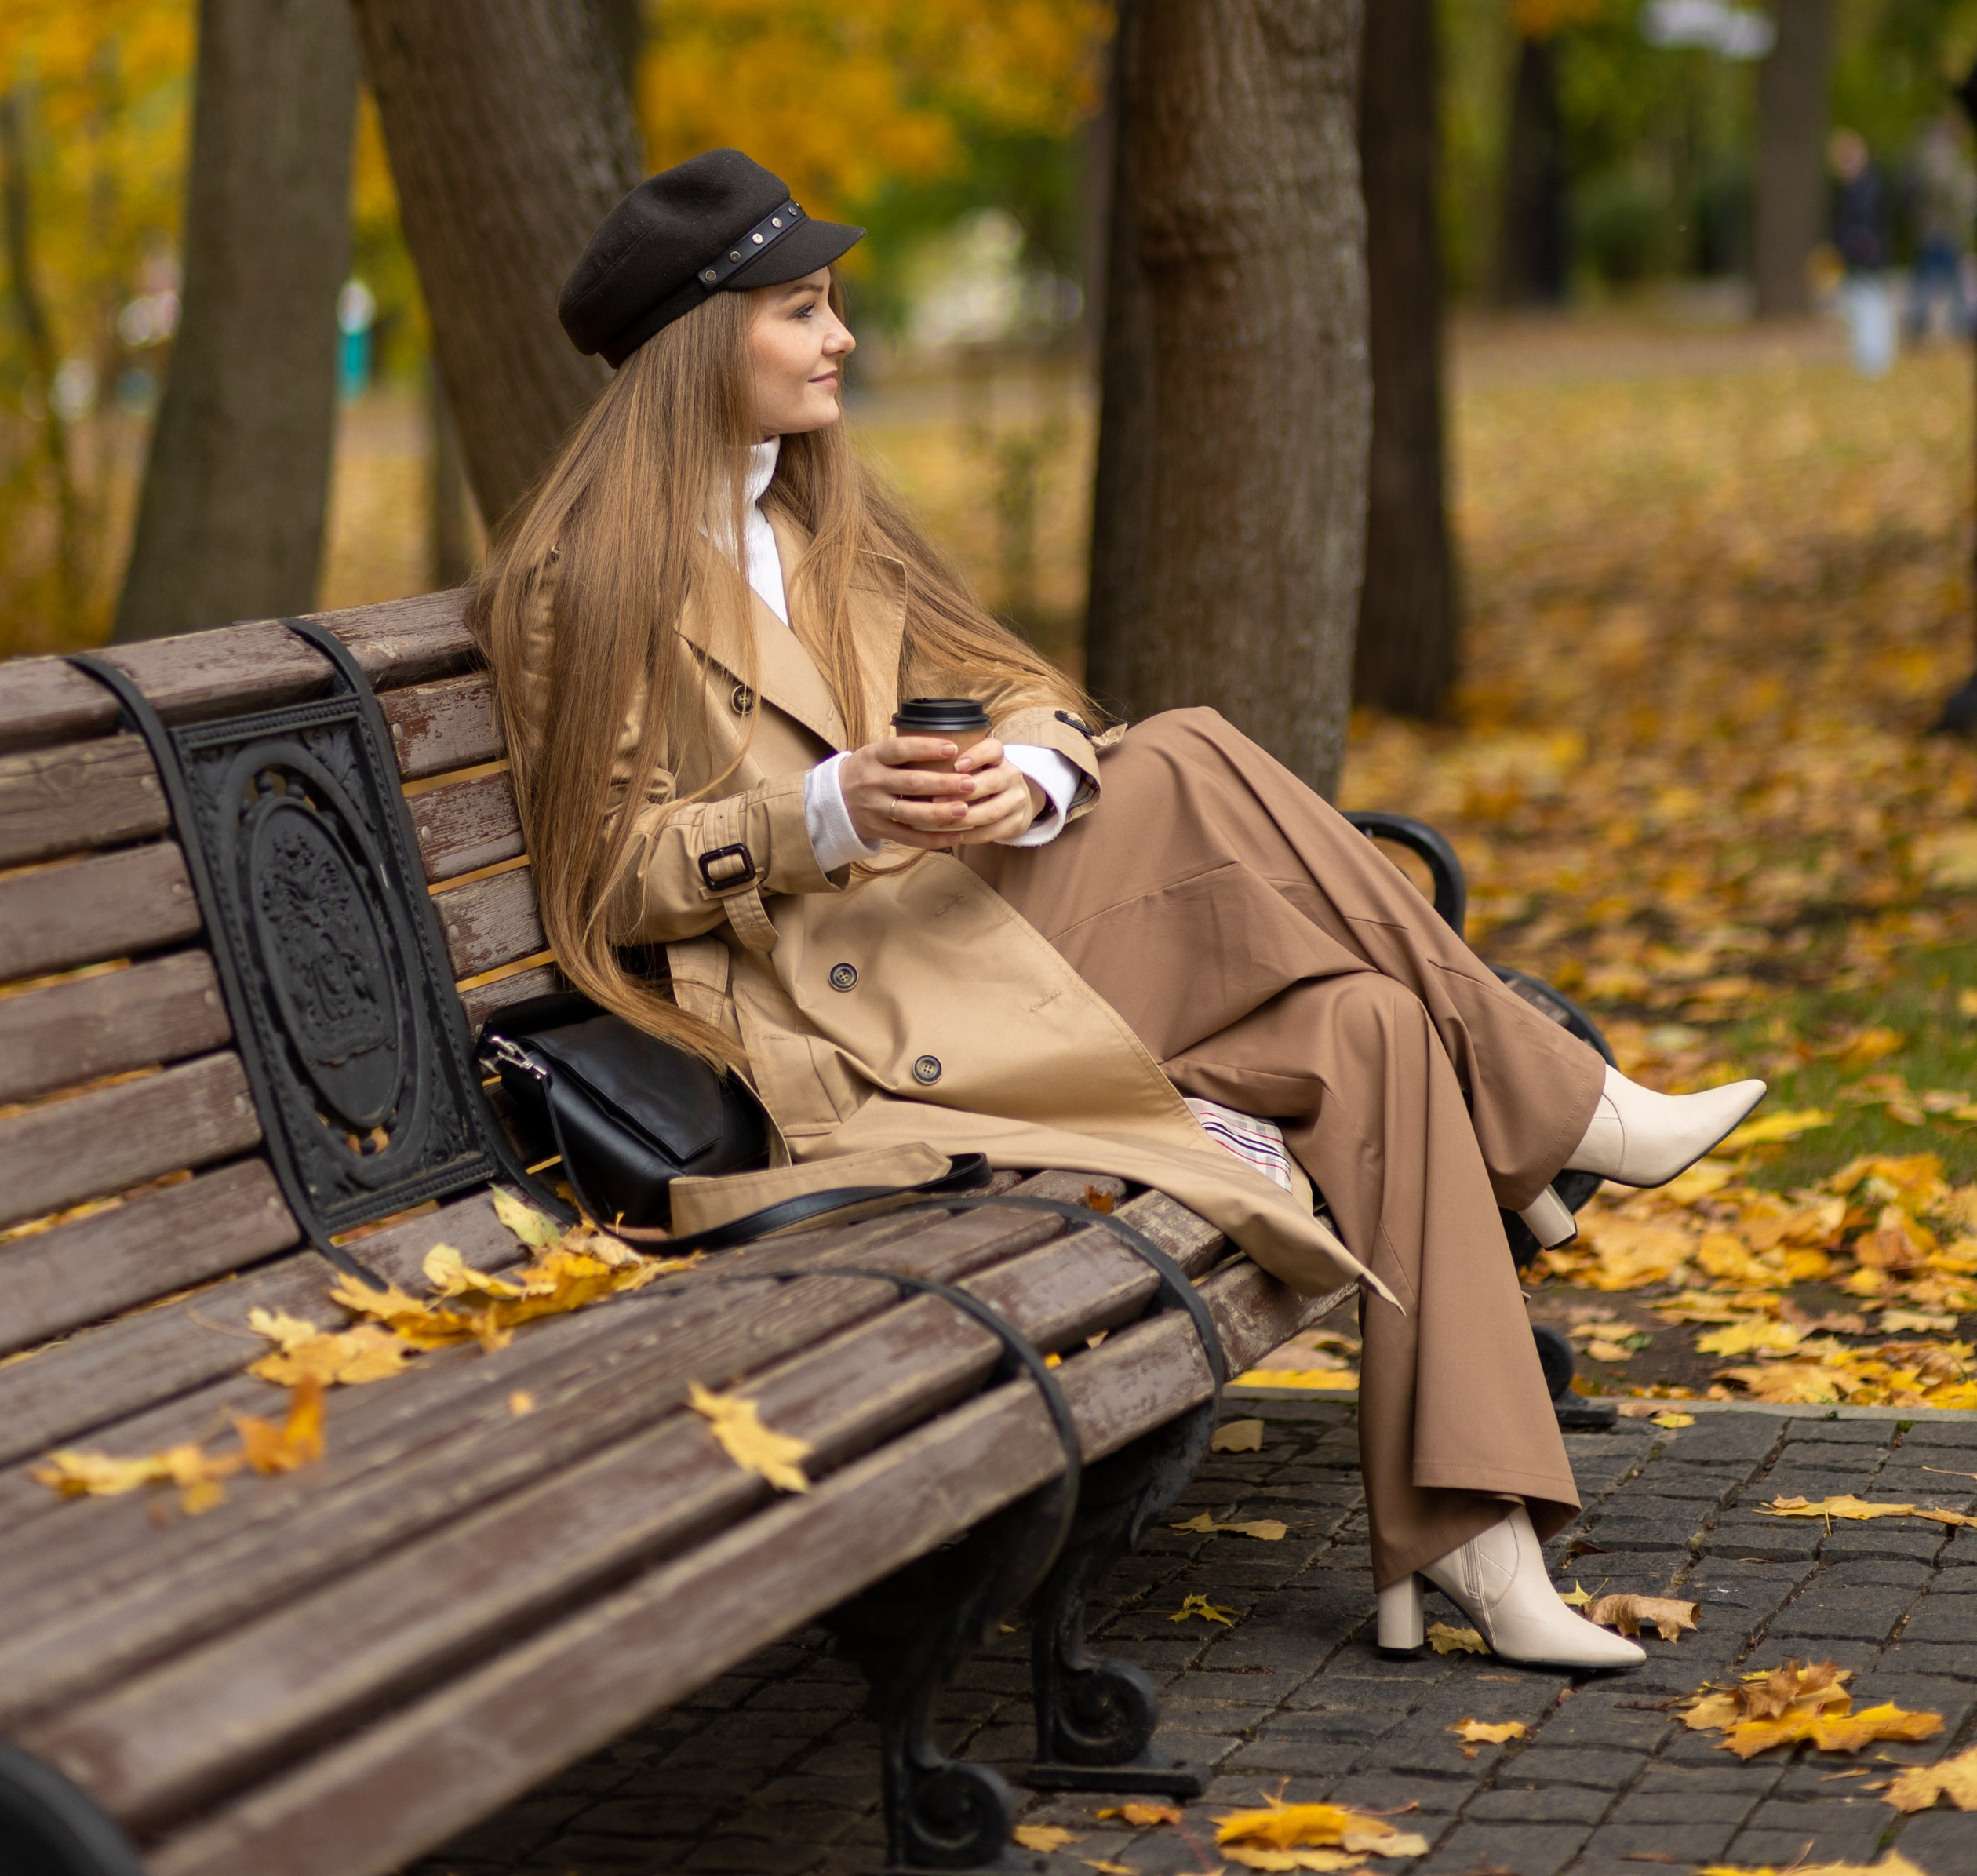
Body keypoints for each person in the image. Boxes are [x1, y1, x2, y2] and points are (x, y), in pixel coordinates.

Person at [472, 151, 1765, 1676]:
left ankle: (1474, 1546)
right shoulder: (580, 582)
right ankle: (1565, 1111)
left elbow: (1024, 689)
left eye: (833, 307)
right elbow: (606, 875)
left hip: (967, 936)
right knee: (1194, 751)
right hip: (846, 1013)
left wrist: (1026, 772)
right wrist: (825, 814)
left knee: (1365, 1024)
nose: (841, 339)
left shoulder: (823, 518)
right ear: (702, 339)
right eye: (802, 310)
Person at [1830, 127, 1898, 376]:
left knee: (1869, 306)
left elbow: (1862, 229)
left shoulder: (1865, 189)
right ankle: (1872, 358)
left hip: (1865, 259)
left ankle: (1874, 359)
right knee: (1865, 306)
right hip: (1865, 258)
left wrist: (1851, 251)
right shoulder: (1862, 187)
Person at [1902, 115, 1975, 344]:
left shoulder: (1929, 157)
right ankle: (1957, 328)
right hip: (1941, 231)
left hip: (1935, 231)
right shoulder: (1943, 160)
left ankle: (1924, 326)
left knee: (1938, 280)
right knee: (1940, 282)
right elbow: (1950, 196)